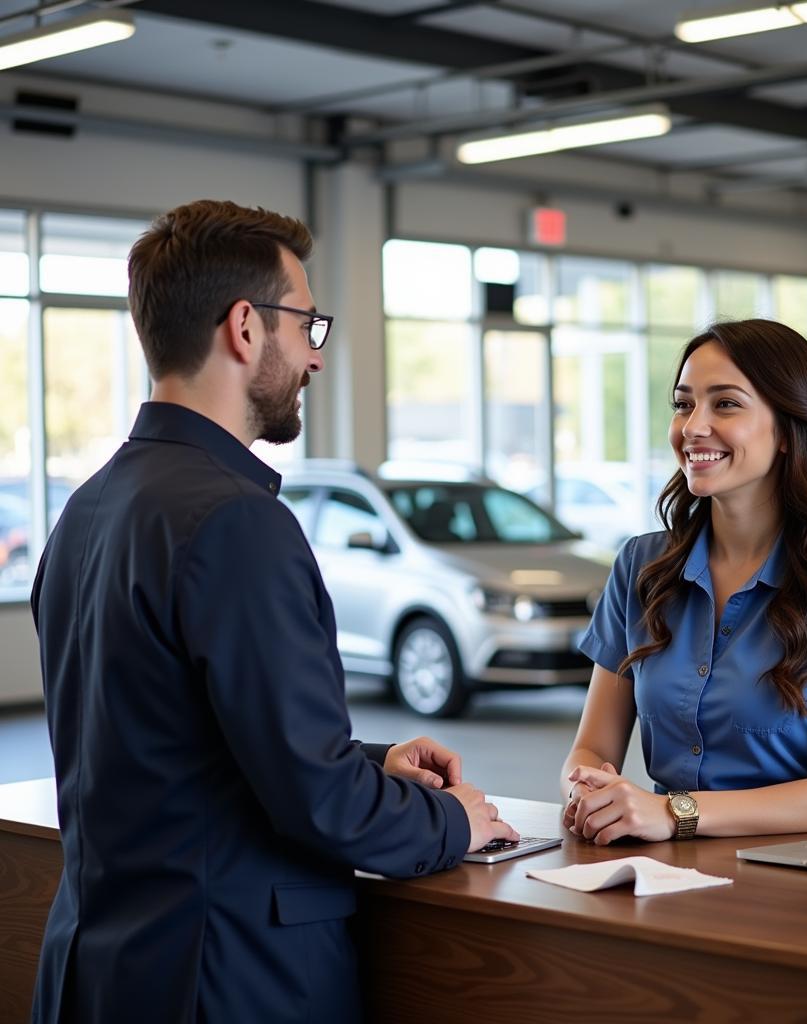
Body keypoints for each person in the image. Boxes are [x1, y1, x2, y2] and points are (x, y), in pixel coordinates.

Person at [30, 199, 517, 1024]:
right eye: (307, 327)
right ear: (245, 328)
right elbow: (316, 803)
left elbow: (180, 746)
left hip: (99, 968)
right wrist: (450, 822)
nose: (315, 359)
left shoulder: (88, 508)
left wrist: (371, 760)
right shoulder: (237, 521)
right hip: (224, 977)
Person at [562, 319, 807, 845]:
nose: (692, 427)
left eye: (725, 404)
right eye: (684, 404)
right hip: (664, 870)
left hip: (803, 878)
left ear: (788, 428)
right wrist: (587, 788)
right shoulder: (641, 565)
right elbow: (591, 748)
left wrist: (674, 812)